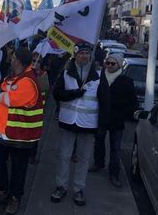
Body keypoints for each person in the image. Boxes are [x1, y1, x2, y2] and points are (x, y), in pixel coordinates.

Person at [50, 42, 110, 207]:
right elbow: (56, 93)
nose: (84, 56)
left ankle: (78, 188)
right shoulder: (66, 72)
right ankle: (61, 186)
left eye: (87, 54)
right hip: (68, 121)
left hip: (88, 124)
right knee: (64, 156)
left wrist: (102, 126)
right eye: (81, 53)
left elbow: (105, 101)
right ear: (75, 55)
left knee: (83, 158)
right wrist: (73, 94)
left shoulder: (98, 74)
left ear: (91, 56)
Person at [0, 48, 44, 215]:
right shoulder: (12, 77)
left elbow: (10, 99)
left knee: (19, 168)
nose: (10, 59)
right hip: (2, 131)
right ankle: (2, 191)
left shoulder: (27, 80)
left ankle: (15, 198)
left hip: (20, 134)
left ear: (18, 60)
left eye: (12, 57)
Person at [88, 54, 137, 188]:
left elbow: (133, 102)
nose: (109, 66)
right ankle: (98, 163)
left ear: (119, 65)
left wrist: (123, 112)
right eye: (107, 63)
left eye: (112, 64)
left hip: (117, 120)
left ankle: (114, 173)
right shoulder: (99, 78)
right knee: (98, 142)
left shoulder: (125, 81)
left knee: (115, 148)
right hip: (101, 117)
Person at [28, 52, 50, 164]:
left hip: (38, 110)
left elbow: (45, 88)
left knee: (35, 134)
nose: (35, 63)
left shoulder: (43, 74)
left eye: (38, 61)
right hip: (24, 109)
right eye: (33, 60)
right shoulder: (25, 72)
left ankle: (32, 155)